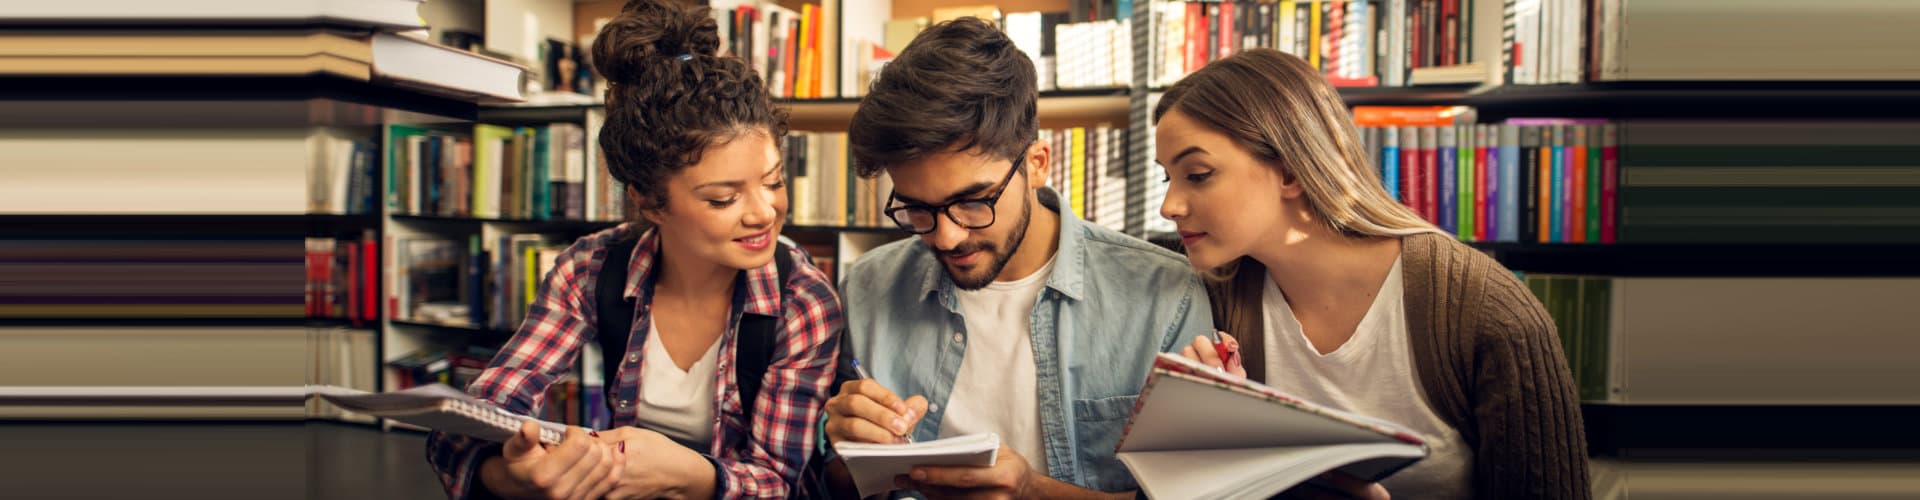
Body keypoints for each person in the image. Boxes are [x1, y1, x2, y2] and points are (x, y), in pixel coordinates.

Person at [424, 0, 844, 498]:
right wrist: (510, 475)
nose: (763, 212)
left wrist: (687, 475)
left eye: (773, 183)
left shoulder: (803, 302)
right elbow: (471, 421)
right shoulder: (590, 268)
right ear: (649, 202)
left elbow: (784, 482)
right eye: (723, 198)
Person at [1156, 48, 1591, 499]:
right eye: (1166, 178)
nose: (1169, 206)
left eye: (1198, 174)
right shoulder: (1211, 305)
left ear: (1289, 172)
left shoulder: (1483, 312)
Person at [819, 17, 1217, 499]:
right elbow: (836, 484)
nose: (946, 237)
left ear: (1036, 165)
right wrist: (843, 455)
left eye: (973, 201)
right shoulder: (866, 288)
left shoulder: (1164, 296)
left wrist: (1032, 490)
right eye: (918, 208)